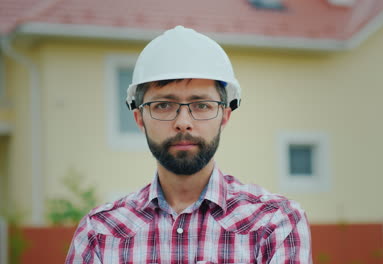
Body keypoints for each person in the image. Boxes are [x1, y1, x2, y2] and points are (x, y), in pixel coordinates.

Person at [66, 26, 312, 264]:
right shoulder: (99, 232)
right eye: (163, 105)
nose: (183, 123)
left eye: (201, 105)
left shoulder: (275, 222)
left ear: (225, 116)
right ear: (139, 118)